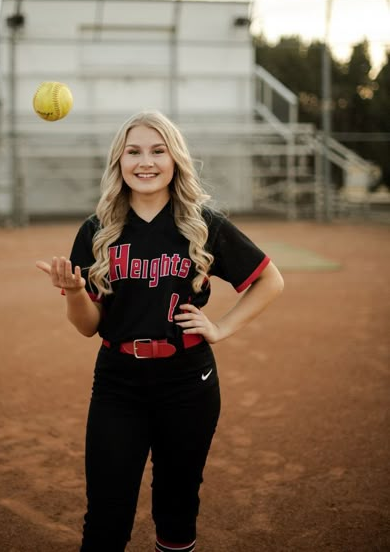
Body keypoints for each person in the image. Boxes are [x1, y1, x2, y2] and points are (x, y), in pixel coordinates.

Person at [36, 110, 284, 552]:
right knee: (106, 516)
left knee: (177, 509)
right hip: (118, 382)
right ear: (119, 162)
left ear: (175, 160)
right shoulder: (97, 231)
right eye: (133, 152)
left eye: (157, 150)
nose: (145, 162)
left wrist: (221, 328)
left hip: (188, 381)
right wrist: (75, 292)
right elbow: (87, 328)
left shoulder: (203, 224)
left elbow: (271, 280)